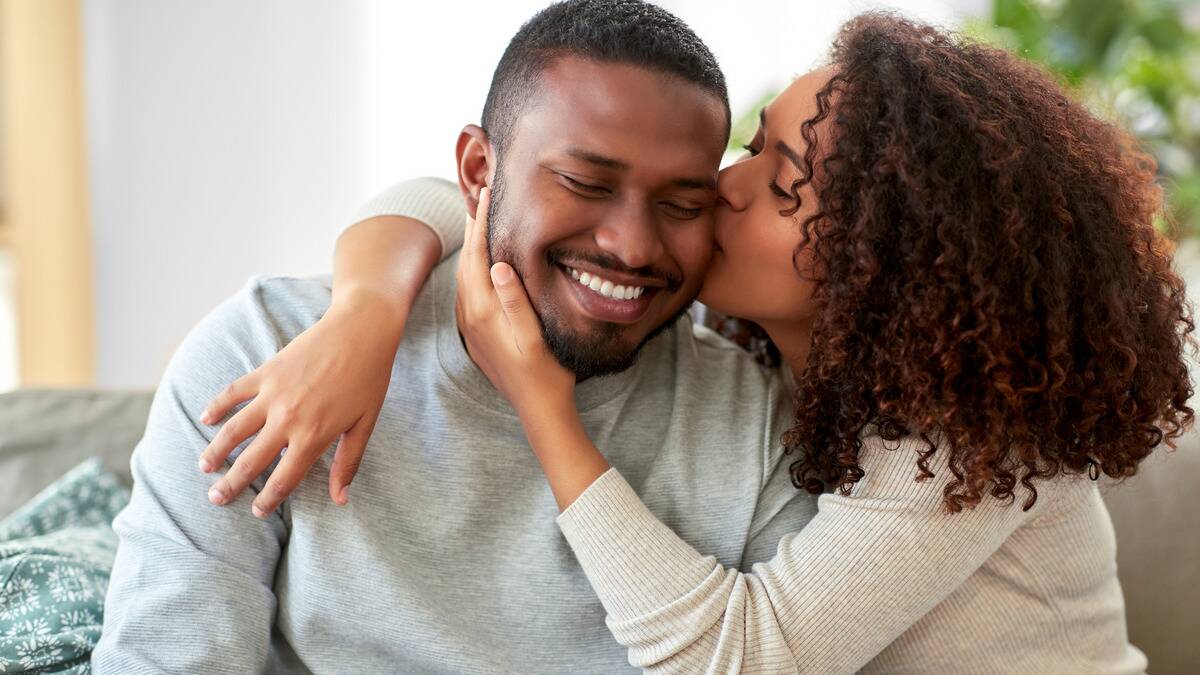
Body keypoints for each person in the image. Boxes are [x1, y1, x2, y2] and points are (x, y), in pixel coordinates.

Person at [197, 11, 1193, 675]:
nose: (727, 184)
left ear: (876, 262)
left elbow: (741, 655)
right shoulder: (786, 353)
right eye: (753, 146)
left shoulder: (964, 443)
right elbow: (462, 198)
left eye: (779, 179)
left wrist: (545, 406)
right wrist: (366, 312)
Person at [92, 2, 814, 673]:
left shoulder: (754, 430)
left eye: (683, 202)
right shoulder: (265, 352)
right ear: (478, 172)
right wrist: (368, 308)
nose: (631, 246)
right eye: (584, 182)